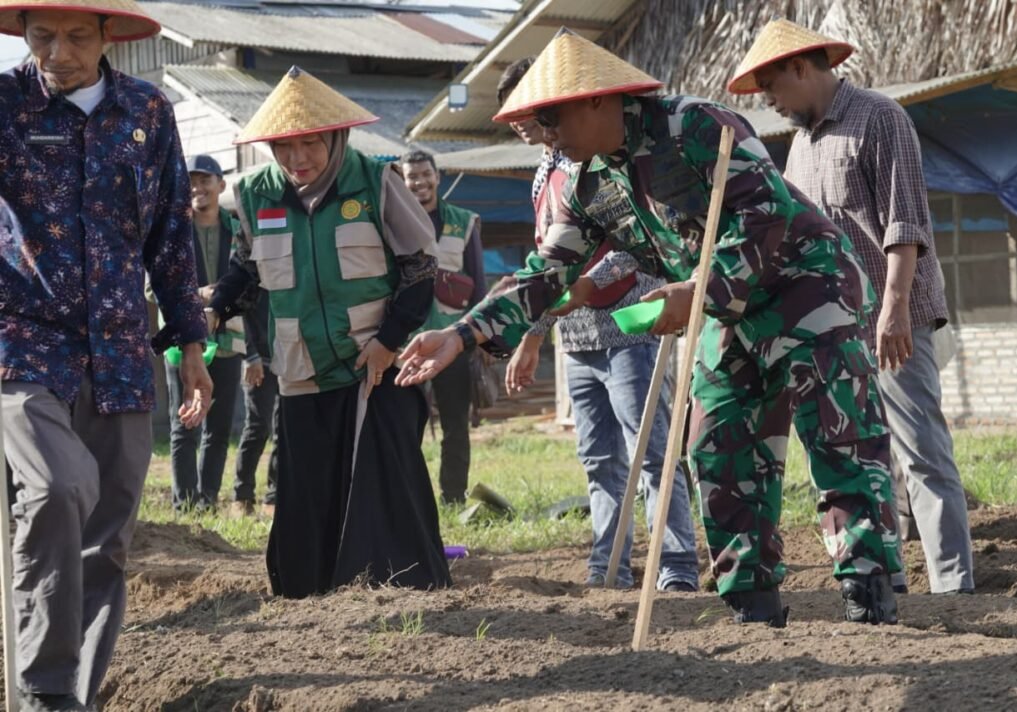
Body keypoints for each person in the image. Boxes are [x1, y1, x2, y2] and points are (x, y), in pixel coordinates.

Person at [399, 29, 901, 626]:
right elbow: (546, 275)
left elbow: (765, 213)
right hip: (721, 310)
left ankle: (867, 592)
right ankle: (752, 601)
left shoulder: (696, 126)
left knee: (838, 436)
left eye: (551, 116)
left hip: (806, 287)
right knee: (714, 445)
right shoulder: (588, 184)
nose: (547, 134)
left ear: (595, 99)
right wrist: (461, 334)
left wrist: (699, 291)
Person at [0, 0, 212, 708]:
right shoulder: (4, 106)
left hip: (121, 351)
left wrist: (190, 342)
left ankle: (77, 699)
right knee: (57, 489)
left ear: (107, 36)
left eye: (75, 37)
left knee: (107, 538)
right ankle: (44, 695)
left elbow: (171, 237)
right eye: (42, 36)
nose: (57, 52)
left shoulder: (147, 112)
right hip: (23, 343)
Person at [730, 19, 974, 595]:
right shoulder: (799, 150)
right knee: (867, 459)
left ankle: (953, 586)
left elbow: (905, 223)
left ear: (800, 67)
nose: (769, 100)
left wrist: (892, 309)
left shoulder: (880, 118)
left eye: (771, 87)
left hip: (895, 320)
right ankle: (888, 575)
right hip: (835, 327)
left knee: (921, 453)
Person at [207, 66, 451, 597]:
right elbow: (245, 274)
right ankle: (310, 592)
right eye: (284, 148)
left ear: (336, 137)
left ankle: (400, 589)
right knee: (309, 488)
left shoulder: (374, 180)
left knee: (386, 485)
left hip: (374, 366)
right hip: (301, 371)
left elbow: (420, 269)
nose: (298, 160)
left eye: (310, 144)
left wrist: (388, 344)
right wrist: (213, 308)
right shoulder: (254, 197)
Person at [497, 58, 700, 592]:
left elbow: (632, 246)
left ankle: (676, 567)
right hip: (577, 337)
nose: (523, 120)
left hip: (631, 325)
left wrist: (586, 287)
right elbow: (549, 265)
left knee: (653, 455)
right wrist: (534, 330)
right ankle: (607, 564)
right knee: (599, 461)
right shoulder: (545, 172)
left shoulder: (608, 160)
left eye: (532, 109)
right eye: (516, 113)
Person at [400, 150, 486, 505]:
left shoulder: (464, 221)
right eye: (412, 177)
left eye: (425, 174)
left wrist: (479, 335)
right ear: (403, 183)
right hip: (408, 342)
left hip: (453, 340)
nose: (420, 182)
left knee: (455, 424)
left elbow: (479, 283)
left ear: (438, 177)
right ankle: (408, 498)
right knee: (406, 426)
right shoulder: (395, 224)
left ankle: (453, 497)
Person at [163, 154, 245, 512]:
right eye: (192, 181)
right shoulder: (173, 229)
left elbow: (252, 282)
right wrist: (198, 295)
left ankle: (207, 502)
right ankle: (184, 503)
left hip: (228, 342)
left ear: (220, 185)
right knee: (184, 424)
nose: (198, 188)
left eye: (205, 180)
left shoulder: (238, 230)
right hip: (183, 343)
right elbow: (155, 287)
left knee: (219, 429)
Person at [231, 287, 279, 516]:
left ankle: (274, 496)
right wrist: (249, 355)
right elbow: (238, 313)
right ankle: (242, 496)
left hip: (288, 357)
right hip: (257, 359)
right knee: (258, 427)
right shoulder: (247, 263)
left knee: (284, 430)